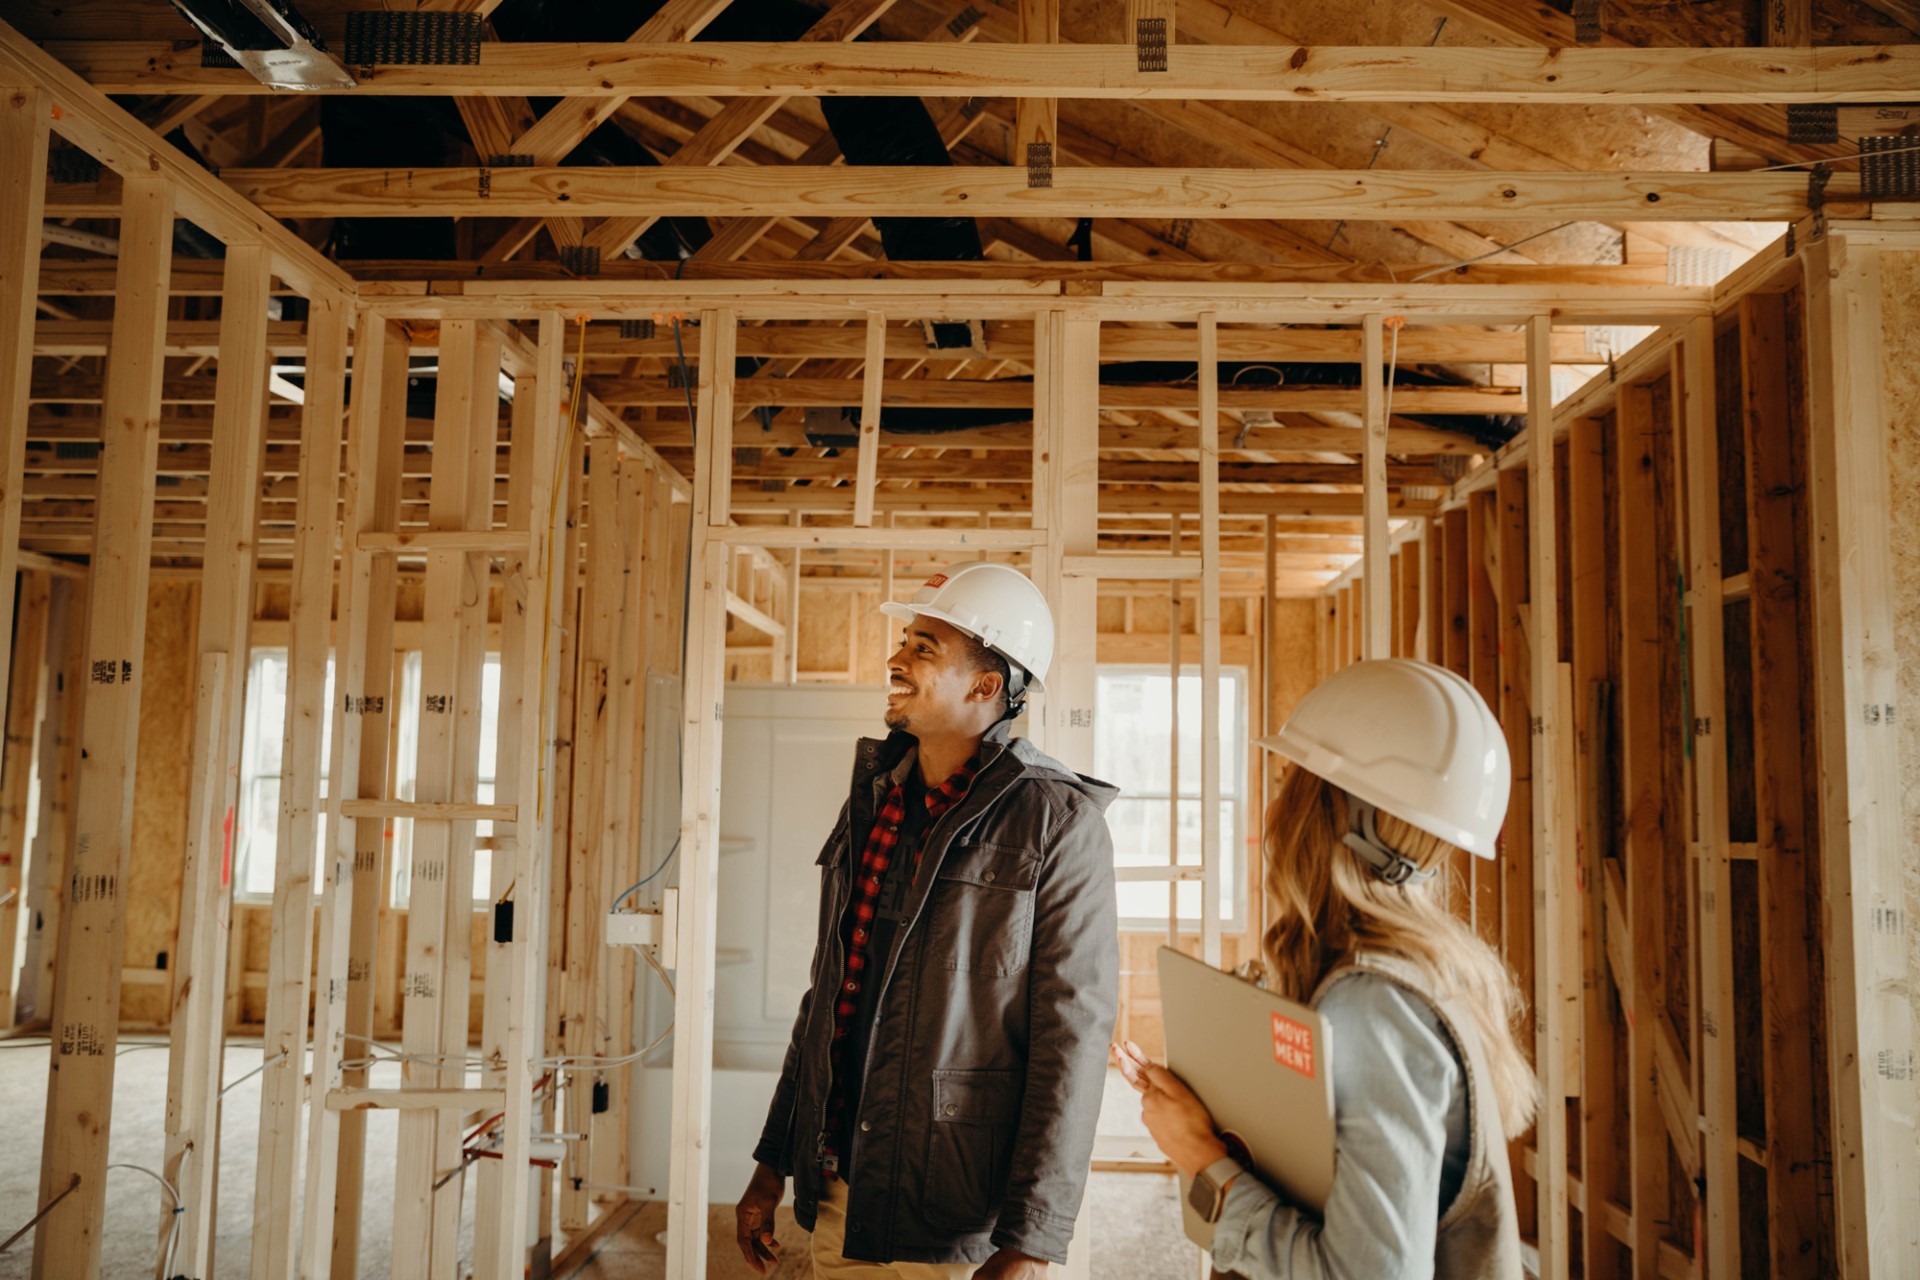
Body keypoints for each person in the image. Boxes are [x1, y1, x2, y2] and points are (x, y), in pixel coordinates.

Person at [736, 562, 1120, 1280]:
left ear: (985, 686)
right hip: (844, 1189)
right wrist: (774, 1161)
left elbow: (1072, 1041)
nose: (895, 659)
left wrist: (1032, 1238)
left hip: (951, 1211)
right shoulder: (876, 801)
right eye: (905, 640)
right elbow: (829, 998)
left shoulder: (1058, 826)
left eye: (923, 647)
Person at [1116, 658, 1536, 1280]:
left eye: (1292, 779)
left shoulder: (1374, 1005)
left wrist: (1201, 1157)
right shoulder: (1426, 966)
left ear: (1339, 815)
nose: (1277, 802)